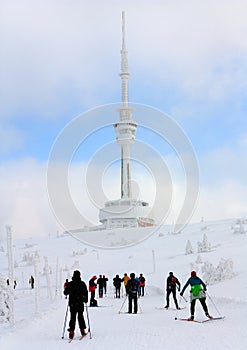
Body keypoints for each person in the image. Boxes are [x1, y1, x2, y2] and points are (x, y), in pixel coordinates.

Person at [64, 270, 88, 340]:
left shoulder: (70, 284)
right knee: (80, 316)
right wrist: (85, 300)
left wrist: (67, 289)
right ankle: (82, 331)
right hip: (80, 303)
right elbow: (86, 292)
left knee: (72, 317)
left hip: (72, 303)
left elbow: (65, 293)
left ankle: (71, 332)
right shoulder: (82, 283)